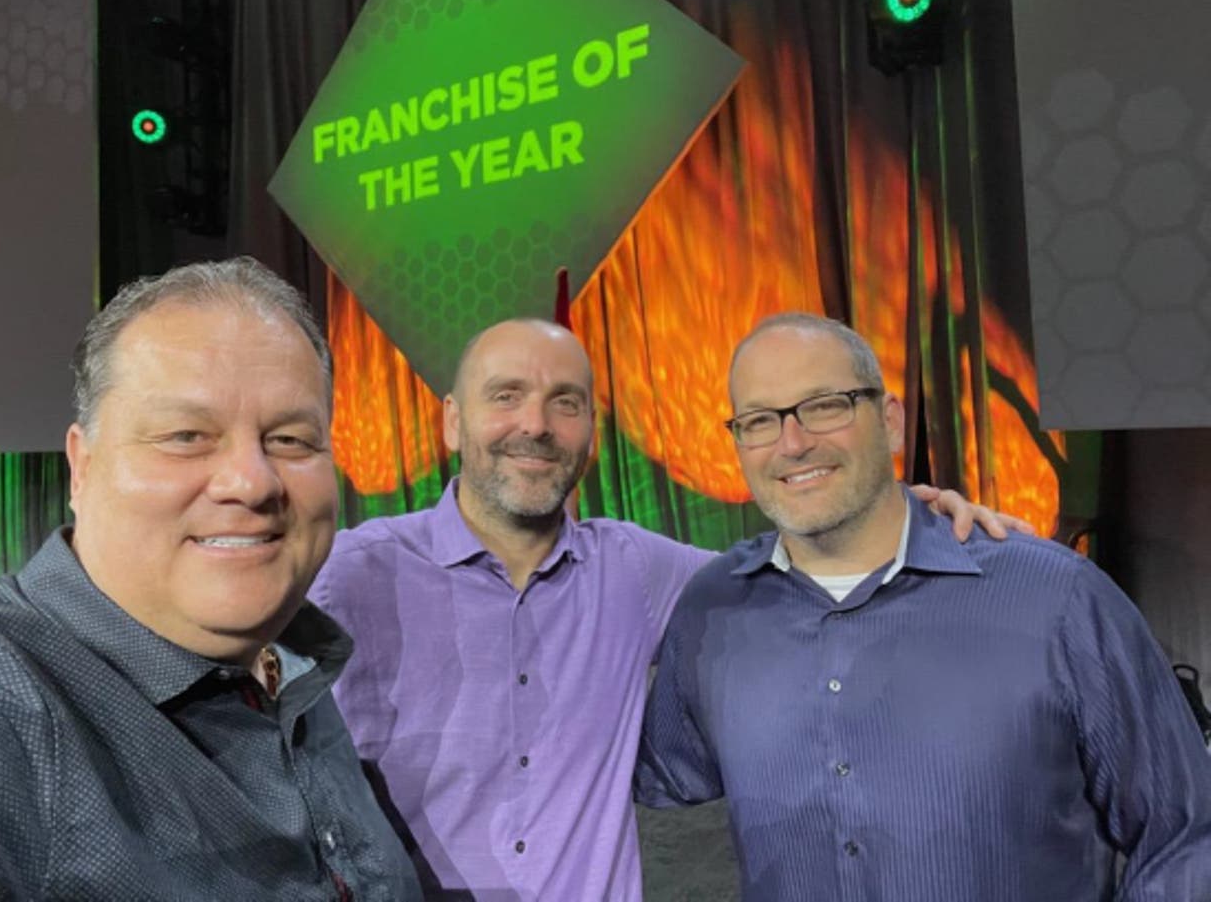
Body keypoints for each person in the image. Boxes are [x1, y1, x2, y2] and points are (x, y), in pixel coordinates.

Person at [0, 258, 421, 901]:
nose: (253, 481)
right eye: (187, 435)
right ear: (82, 468)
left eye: (290, 439)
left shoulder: (288, 656)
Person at [311, 317, 1022, 900]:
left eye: (566, 400)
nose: (536, 423)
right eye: (506, 396)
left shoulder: (632, 569)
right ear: (452, 423)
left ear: (590, 428)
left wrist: (903, 513)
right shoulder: (349, 574)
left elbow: (789, 575)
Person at [635, 312, 1211, 900]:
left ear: (889, 422)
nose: (793, 442)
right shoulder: (713, 609)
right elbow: (631, 773)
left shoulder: (1055, 599)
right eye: (759, 420)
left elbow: (1187, 831)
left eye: (826, 405)